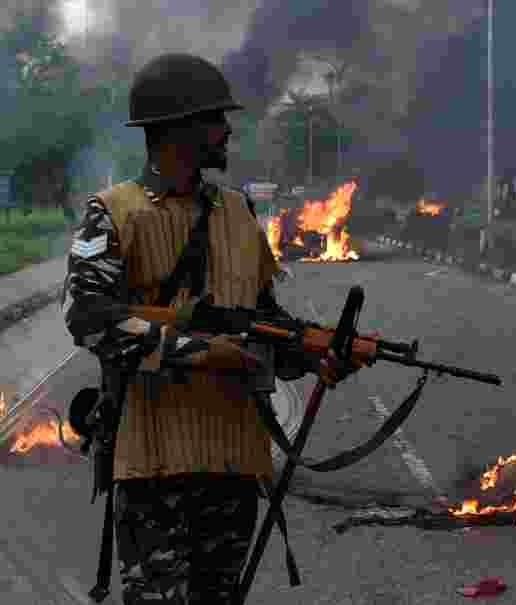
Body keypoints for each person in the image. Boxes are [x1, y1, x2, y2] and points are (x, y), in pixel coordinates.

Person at [61, 52, 365, 604]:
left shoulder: (239, 214)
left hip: (231, 467)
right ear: (177, 130)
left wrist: (313, 355)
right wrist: (195, 351)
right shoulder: (112, 213)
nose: (227, 130)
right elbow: (87, 319)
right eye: (214, 120)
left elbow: (264, 326)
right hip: (154, 470)